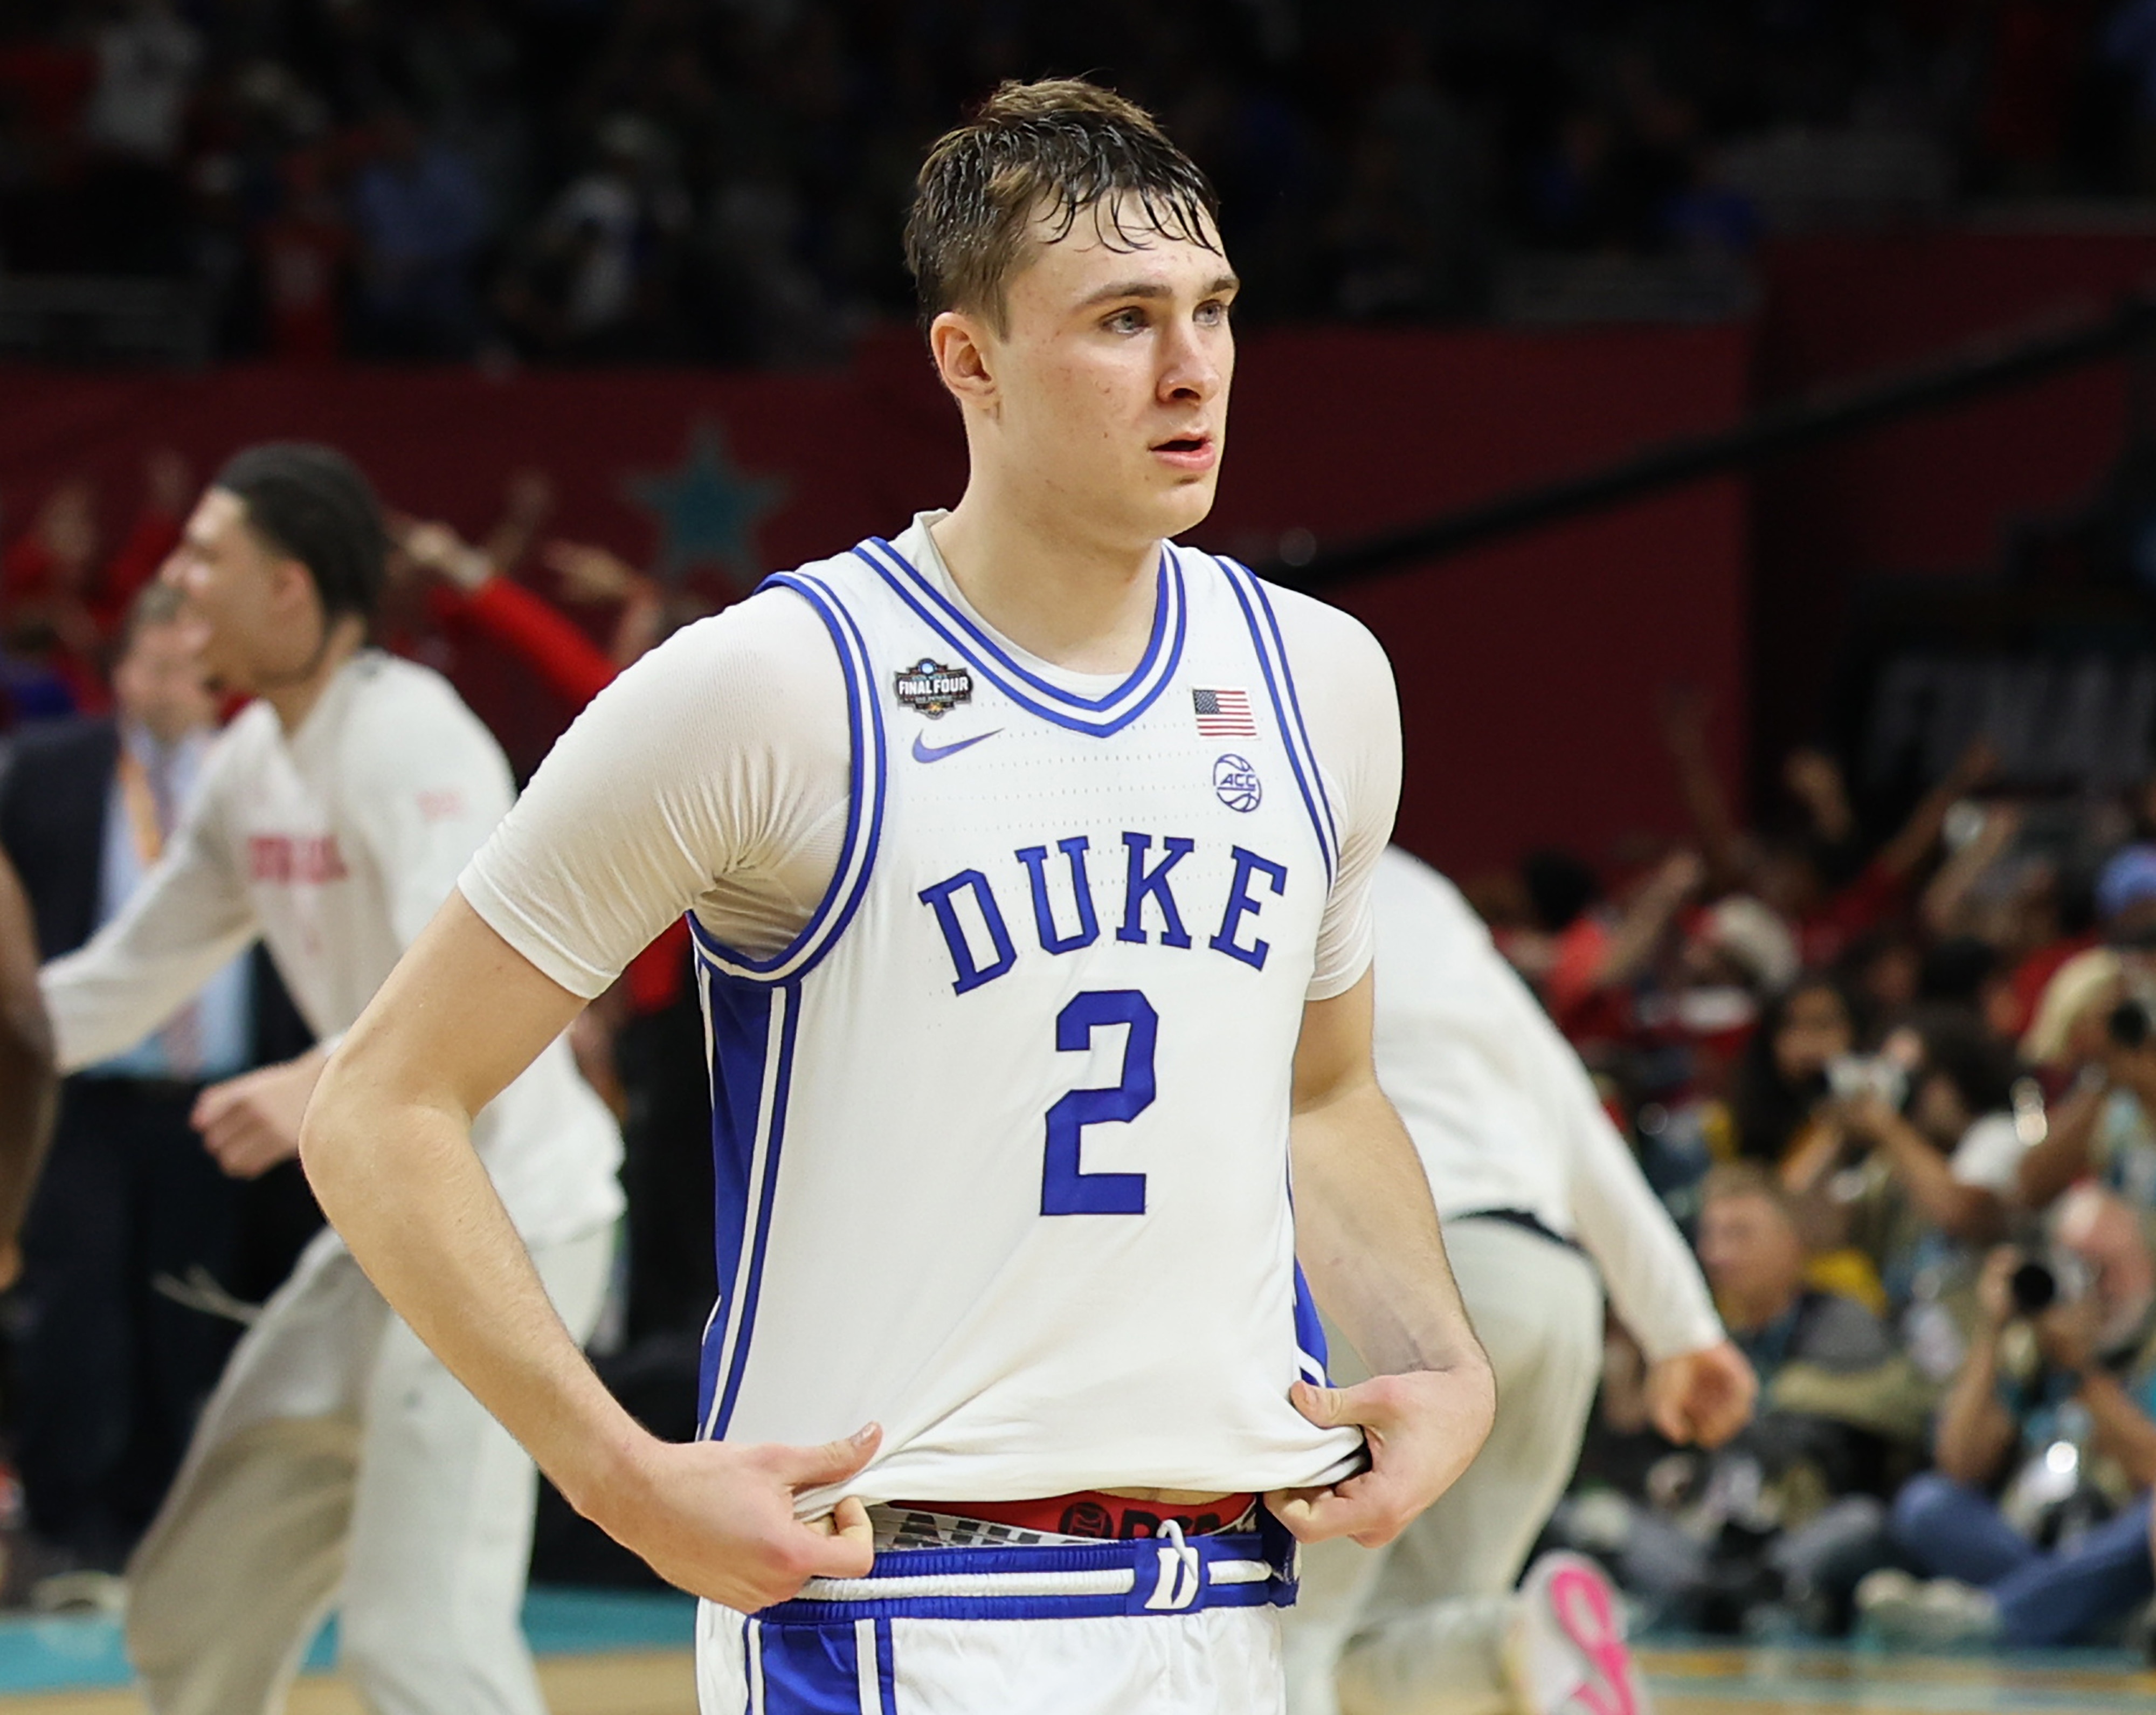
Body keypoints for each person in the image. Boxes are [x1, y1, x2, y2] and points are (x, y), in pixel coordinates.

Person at [300, 78, 1496, 1715]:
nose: (1190, 368)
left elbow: (1324, 1092)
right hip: (889, 1609)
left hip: (1221, 1603)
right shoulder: (776, 686)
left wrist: (1440, 1360)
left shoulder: (1320, 679)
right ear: (968, 361)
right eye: (1123, 320)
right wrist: (616, 1475)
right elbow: (380, 1102)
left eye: (1213, 308)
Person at [34, 443, 623, 1715]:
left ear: (288, 588)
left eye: (206, 556)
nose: (179, 580)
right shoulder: (252, 763)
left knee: (420, 1636)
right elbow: (125, 981)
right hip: (382, 1224)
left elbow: (464, 991)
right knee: (196, 1602)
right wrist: (13, 1032)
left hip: (511, 1221)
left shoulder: (412, 735)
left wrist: (314, 1077)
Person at [1282, 846, 1756, 1715]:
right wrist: (1681, 1328)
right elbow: (1573, 1110)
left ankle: (1520, 1642)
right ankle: (1525, 1640)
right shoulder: (1430, 902)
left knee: (1294, 1630)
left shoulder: (1243, 868)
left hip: (1387, 1270)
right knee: (1414, 1644)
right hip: (1550, 1286)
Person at [0, 581, 274, 1579]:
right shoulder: (49, 770)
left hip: (218, 1097)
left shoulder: (258, 774)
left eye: (188, 671)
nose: (169, 688)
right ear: (118, 674)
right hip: (83, 1089)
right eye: (151, 666)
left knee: (187, 1314)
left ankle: (164, 1523)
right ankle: (62, 1522)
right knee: (76, 1307)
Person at [1864, 1187, 2156, 1648]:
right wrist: (1992, 1328)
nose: (2096, 1287)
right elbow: (1960, 1462)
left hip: (2123, 1543)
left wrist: (2082, 1373)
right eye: (2078, 1267)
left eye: (2108, 1267)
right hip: (2030, 1540)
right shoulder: (2029, 1347)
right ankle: (2070, 1612)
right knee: (1926, 1502)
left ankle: (1997, 1615)